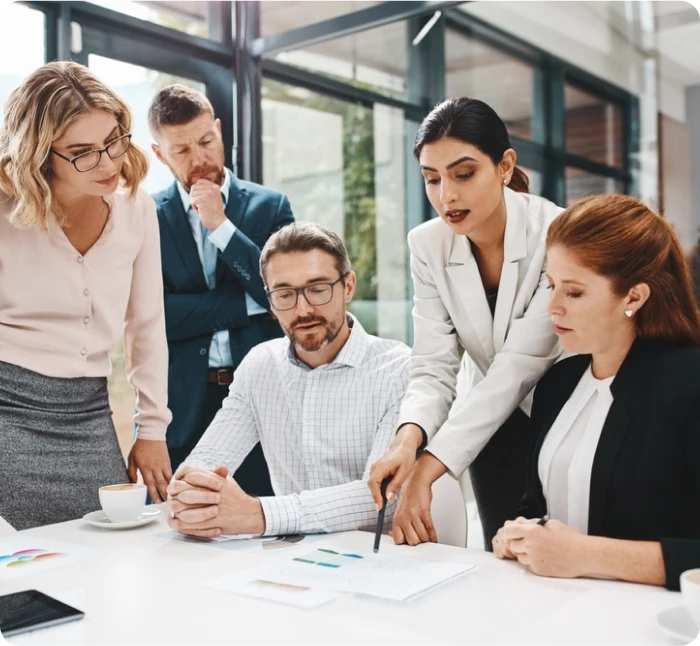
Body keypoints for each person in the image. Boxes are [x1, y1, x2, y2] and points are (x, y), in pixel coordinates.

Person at [368, 97, 563, 549]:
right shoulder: (428, 244)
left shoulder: (555, 231)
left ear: (504, 166)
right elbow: (433, 366)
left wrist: (430, 468)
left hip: (563, 411)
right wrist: (407, 443)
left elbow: (520, 364)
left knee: (561, 556)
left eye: (463, 173)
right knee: (500, 553)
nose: (446, 196)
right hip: (488, 425)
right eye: (431, 179)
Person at [493, 194, 700, 591]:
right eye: (551, 285)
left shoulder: (690, 384)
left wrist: (585, 555)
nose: (552, 306)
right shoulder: (558, 382)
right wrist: (519, 534)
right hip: (550, 609)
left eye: (573, 292)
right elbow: (536, 506)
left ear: (634, 297)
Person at [0, 61, 172, 530]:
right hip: (7, 410)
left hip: (90, 413)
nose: (108, 163)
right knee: (18, 577)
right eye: (82, 152)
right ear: (39, 154)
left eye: (113, 141)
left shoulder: (137, 210)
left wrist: (151, 427)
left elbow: (147, 325)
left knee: (104, 561)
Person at [166, 222, 411, 538]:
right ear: (269, 301)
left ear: (348, 286)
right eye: (284, 294)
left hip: (378, 559)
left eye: (318, 289)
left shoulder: (398, 369)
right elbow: (208, 460)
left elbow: (379, 498)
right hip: (289, 562)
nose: (303, 309)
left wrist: (259, 515)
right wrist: (190, 495)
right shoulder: (260, 365)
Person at [148, 85, 294, 494]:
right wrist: (245, 304)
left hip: (263, 403)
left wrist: (220, 226)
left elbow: (280, 296)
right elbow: (154, 318)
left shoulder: (271, 207)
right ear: (159, 154)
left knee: (268, 531)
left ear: (218, 129)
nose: (199, 160)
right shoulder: (146, 217)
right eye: (181, 151)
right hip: (185, 406)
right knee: (184, 531)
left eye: (206, 142)